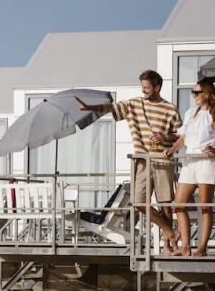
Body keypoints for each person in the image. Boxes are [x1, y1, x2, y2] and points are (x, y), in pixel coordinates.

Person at [75, 70, 183, 253]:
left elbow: (180, 136)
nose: (143, 92)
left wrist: (165, 135)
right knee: (139, 201)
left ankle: (170, 243)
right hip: (141, 160)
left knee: (165, 205)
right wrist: (90, 108)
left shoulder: (170, 109)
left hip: (163, 160)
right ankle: (170, 232)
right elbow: (111, 108)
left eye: (147, 88)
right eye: (142, 88)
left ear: (157, 87)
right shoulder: (134, 104)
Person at [164, 80, 215, 257]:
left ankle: (202, 247)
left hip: (206, 160)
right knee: (179, 205)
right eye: (193, 92)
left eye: (196, 92)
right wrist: (172, 150)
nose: (193, 95)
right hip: (189, 159)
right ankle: (186, 246)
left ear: (207, 93)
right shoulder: (190, 113)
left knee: (205, 206)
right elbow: (183, 137)